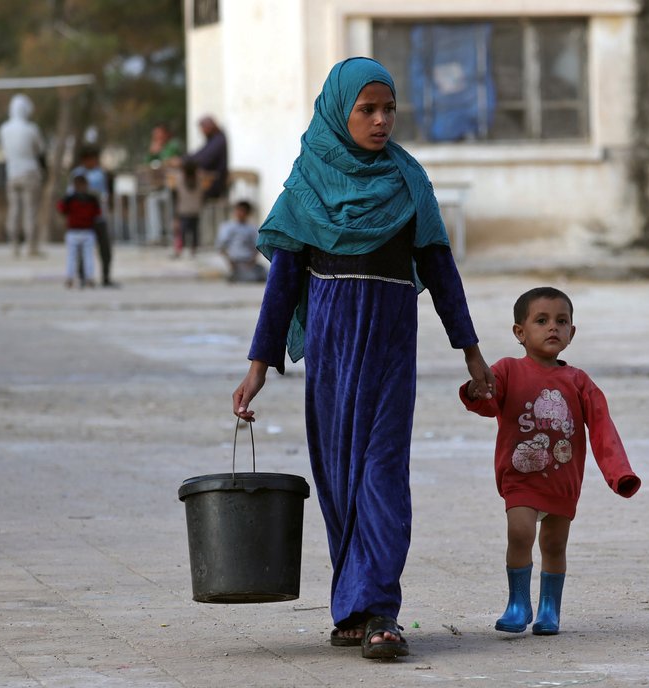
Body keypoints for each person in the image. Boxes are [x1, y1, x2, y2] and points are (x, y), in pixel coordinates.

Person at [232, 57, 495, 660]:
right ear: (338, 110)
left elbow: (440, 270)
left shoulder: (408, 181)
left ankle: (382, 611)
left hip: (390, 346)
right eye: (367, 110)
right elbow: (283, 284)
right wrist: (258, 367)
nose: (381, 121)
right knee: (339, 478)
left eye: (389, 109)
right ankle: (351, 609)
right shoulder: (308, 182)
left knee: (380, 475)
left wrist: (471, 353)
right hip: (330, 346)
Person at [459, 286, 642, 636]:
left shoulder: (579, 381)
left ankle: (548, 609)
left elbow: (604, 429)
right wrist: (473, 391)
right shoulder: (508, 370)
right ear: (520, 332)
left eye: (562, 321)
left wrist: (619, 473)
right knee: (520, 532)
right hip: (520, 476)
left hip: (562, 481)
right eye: (541, 321)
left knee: (554, 545)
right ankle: (517, 604)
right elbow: (487, 401)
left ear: (572, 333)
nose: (552, 328)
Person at [0, 93, 46, 257]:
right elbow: (40, 149)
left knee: (14, 210)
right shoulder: (31, 129)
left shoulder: (4, 129)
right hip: (29, 171)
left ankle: (13, 246)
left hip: (12, 172)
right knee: (30, 211)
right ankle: (30, 247)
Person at [71, 147, 117, 287]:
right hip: (83, 219)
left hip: (98, 216)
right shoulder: (77, 174)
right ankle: (83, 276)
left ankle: (106, 276)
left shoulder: (100, 173)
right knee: (82, 249)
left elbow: (104, 194)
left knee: (105, 248)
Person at [57, 174, 100, 289]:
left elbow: (61, 209)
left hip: (82, 231)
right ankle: (76, 278)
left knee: (82, 257)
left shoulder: (71, 198)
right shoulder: (91, 199)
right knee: (79, 257)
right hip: (78, 231)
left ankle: (83, 278)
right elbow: (97, 213)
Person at [215, 200, 265, 282]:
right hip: (232, 261)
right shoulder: (227, 227)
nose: (240, 213)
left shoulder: (252, 228)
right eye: (238, 210)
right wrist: (229, 261)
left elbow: (257, 247)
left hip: (247, 261)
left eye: (243, 211)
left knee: (262, 272)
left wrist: (252, 261)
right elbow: (221, 247)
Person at [184, 115, 228, 200]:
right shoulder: (212, 140)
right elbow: (199, 154)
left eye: (203, 128)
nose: (202, 131)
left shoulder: (218, 141)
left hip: (215, 184)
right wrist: (183, 159)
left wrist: (183, 161)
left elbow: (204, 160)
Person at [172, 160, 203, 258]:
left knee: (181, 232)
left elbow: (177, 195)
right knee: (194, 232)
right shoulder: (198, 178)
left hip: (183, 210)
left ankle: (179, 250)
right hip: (195, 209)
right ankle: (193, 250)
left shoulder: (180, 178)